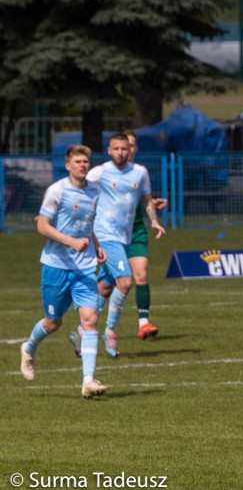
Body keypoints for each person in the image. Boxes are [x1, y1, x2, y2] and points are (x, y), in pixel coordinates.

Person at [19, 144, 108, 398]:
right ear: (68, 165)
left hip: (85, 267)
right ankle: (28, 348)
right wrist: (70, 242)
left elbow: (87, 225)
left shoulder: (94, 191)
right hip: (56, 266)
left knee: (90, 320)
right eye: (78, 161)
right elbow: (42, 226)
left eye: (85, 161)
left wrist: (97, 246)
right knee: (53, 322)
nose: (83, 165)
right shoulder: (56, 190)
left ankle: (88, 381)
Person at [86, 133, 166, 358]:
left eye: (124, 149)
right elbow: (77, 188)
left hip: (126, 236)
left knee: (106, 285)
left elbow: (146, 199)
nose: (121, 152)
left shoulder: (140, 172)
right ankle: (110, 331)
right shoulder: (99, 172)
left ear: (129, 150)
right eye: (116, 149)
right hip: (105, 234)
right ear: (109, 150)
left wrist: (154, 221)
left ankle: (84, 328)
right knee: (126, 280)